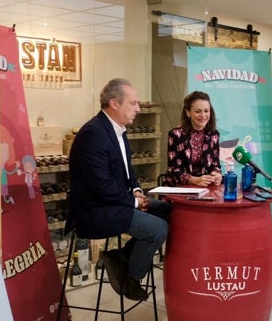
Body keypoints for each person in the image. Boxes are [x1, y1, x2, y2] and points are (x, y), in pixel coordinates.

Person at [67, 78, 170, 301]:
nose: (138, 109)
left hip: (115, 202)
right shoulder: (93, 134)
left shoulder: (118, 131)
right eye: (133, 103)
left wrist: (136, 191)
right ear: (114, 103)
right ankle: (130, 278)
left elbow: (127, 173)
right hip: (96, 210)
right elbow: (101, 186)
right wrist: (133, 203)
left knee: (167, 211)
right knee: (158, 229)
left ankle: (120, 257)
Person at [162, 91, 222, 187]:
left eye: (206, 111)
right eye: (198, 111)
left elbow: (215, 164)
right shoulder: (175, 135)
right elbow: (174, 169)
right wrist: (194, 180)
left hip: (204, 187)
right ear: (188, 112)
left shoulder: (214, 135)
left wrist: (216, 175)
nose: (203, 115)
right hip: (178, 187)